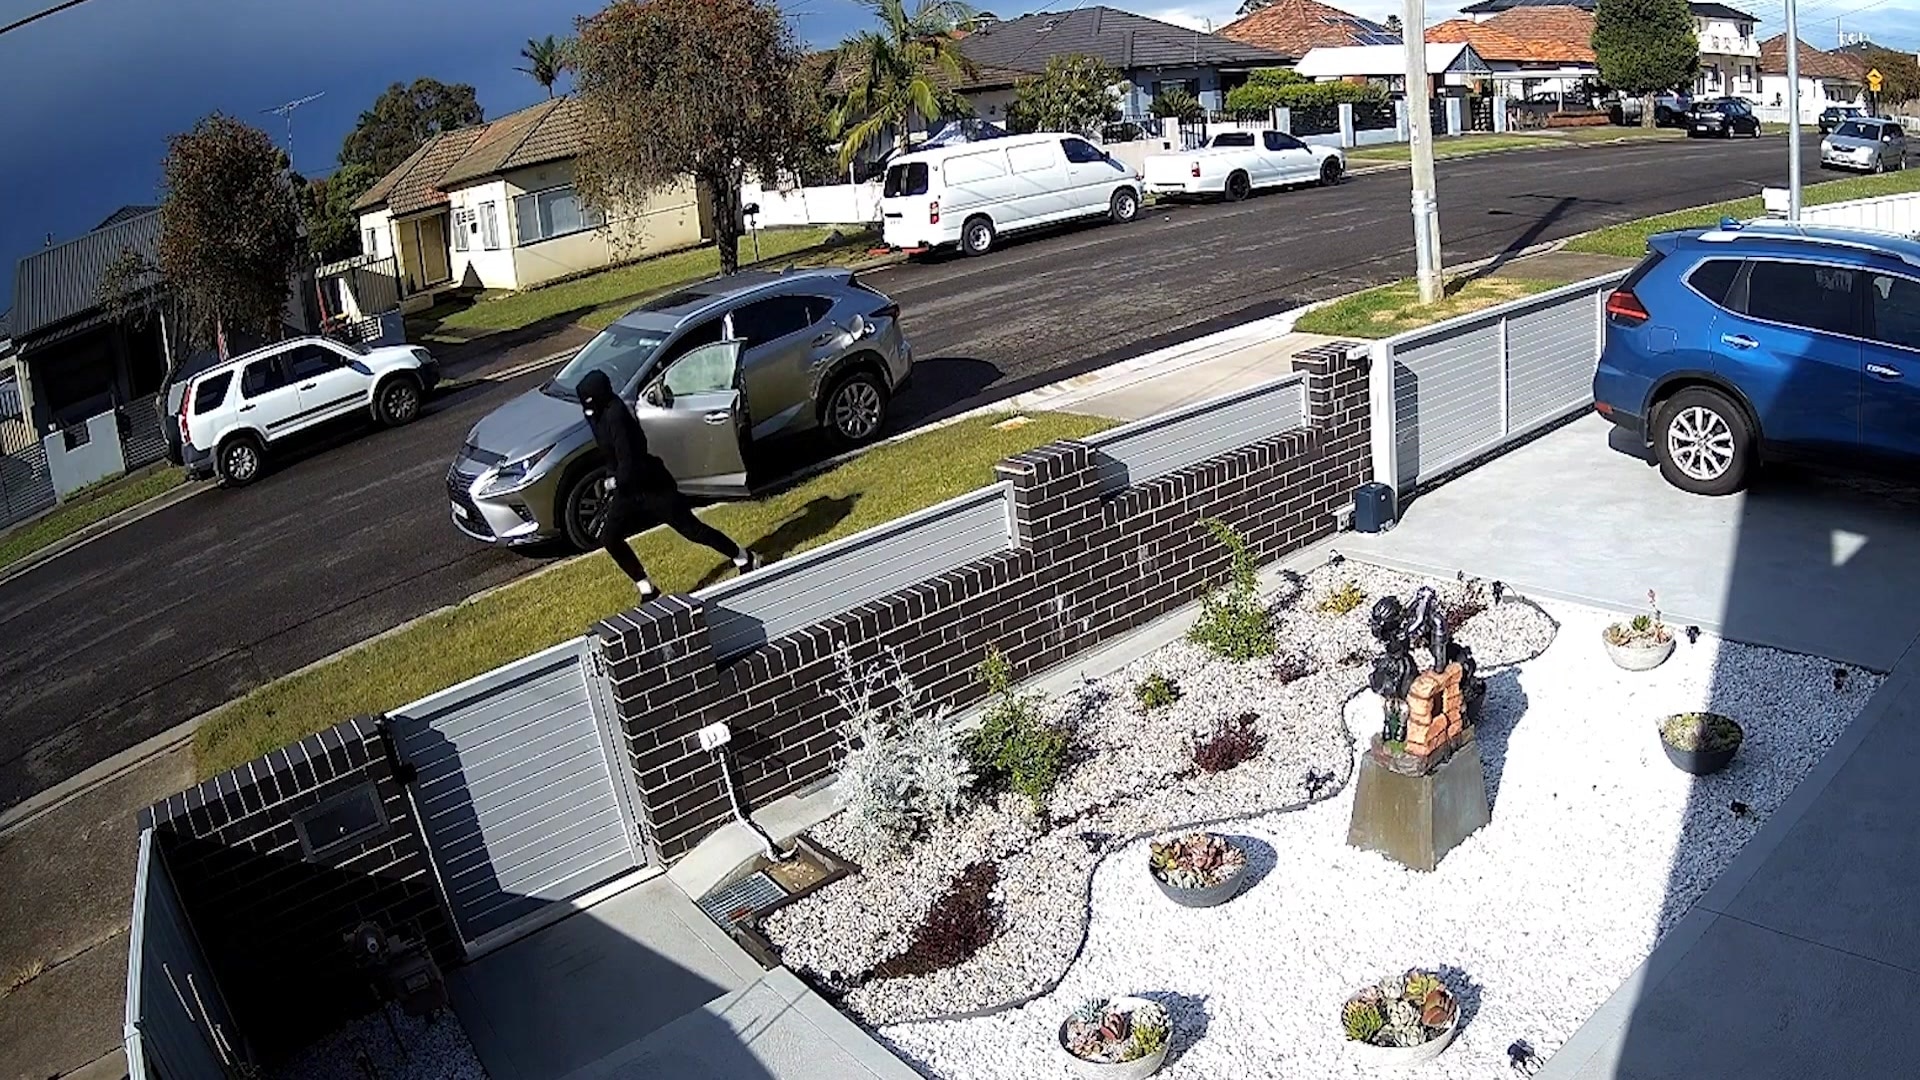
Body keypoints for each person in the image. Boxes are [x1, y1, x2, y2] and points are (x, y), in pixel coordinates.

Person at [577, 369, 758, 600]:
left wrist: (615, 480)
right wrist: (612, 477)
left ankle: (744, 557)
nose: (588, 411)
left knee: (691, 529)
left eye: (591, 404)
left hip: (652, 485)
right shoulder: (595, 415)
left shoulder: (617, 414)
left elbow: (630, 457)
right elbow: (609, 454)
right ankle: (647, 588)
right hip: (628, 491)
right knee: (610, 538)